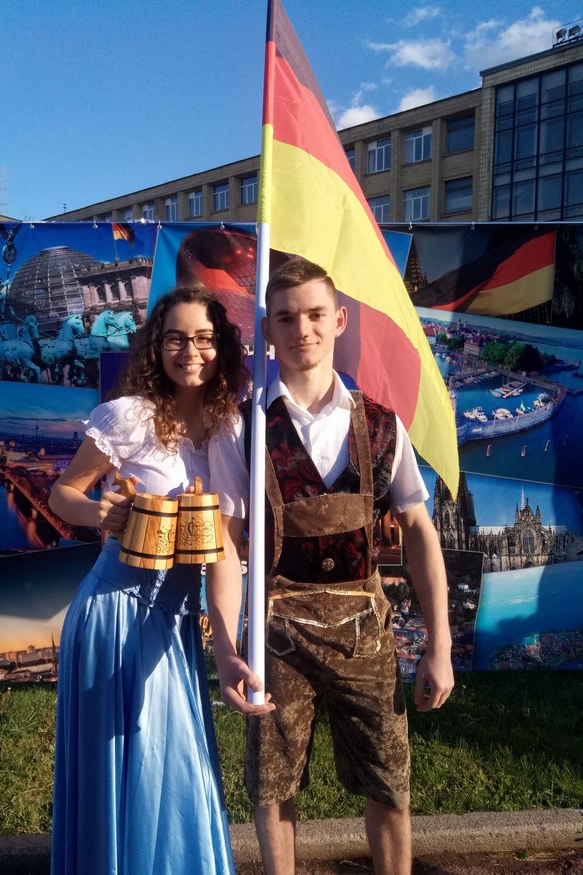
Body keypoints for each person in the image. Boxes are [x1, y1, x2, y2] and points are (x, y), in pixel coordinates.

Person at [206, 259, 455, 875]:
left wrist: (440, 645)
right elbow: (228, 545)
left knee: (389, 782)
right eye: (287, 318)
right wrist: (228, 648)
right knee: (273, 787)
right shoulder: (243, 428)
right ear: (269, 329)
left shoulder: (382, 424)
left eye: (316, 314)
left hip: (366, 635)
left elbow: (419, 529)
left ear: (339, 320)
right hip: (277, 637)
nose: (303, 330)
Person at [49, 287, 252, 875]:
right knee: (128, 767)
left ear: (222, 346)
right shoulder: (130, 416)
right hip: (115, 612)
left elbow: (224, 550)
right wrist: (100, 513)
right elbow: (63, 493)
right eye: (176, 339)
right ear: (157, 347)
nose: (191, 351)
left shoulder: (230, 430)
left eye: (204, 339)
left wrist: (228, 652)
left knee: (173, 766)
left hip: (176, 623)